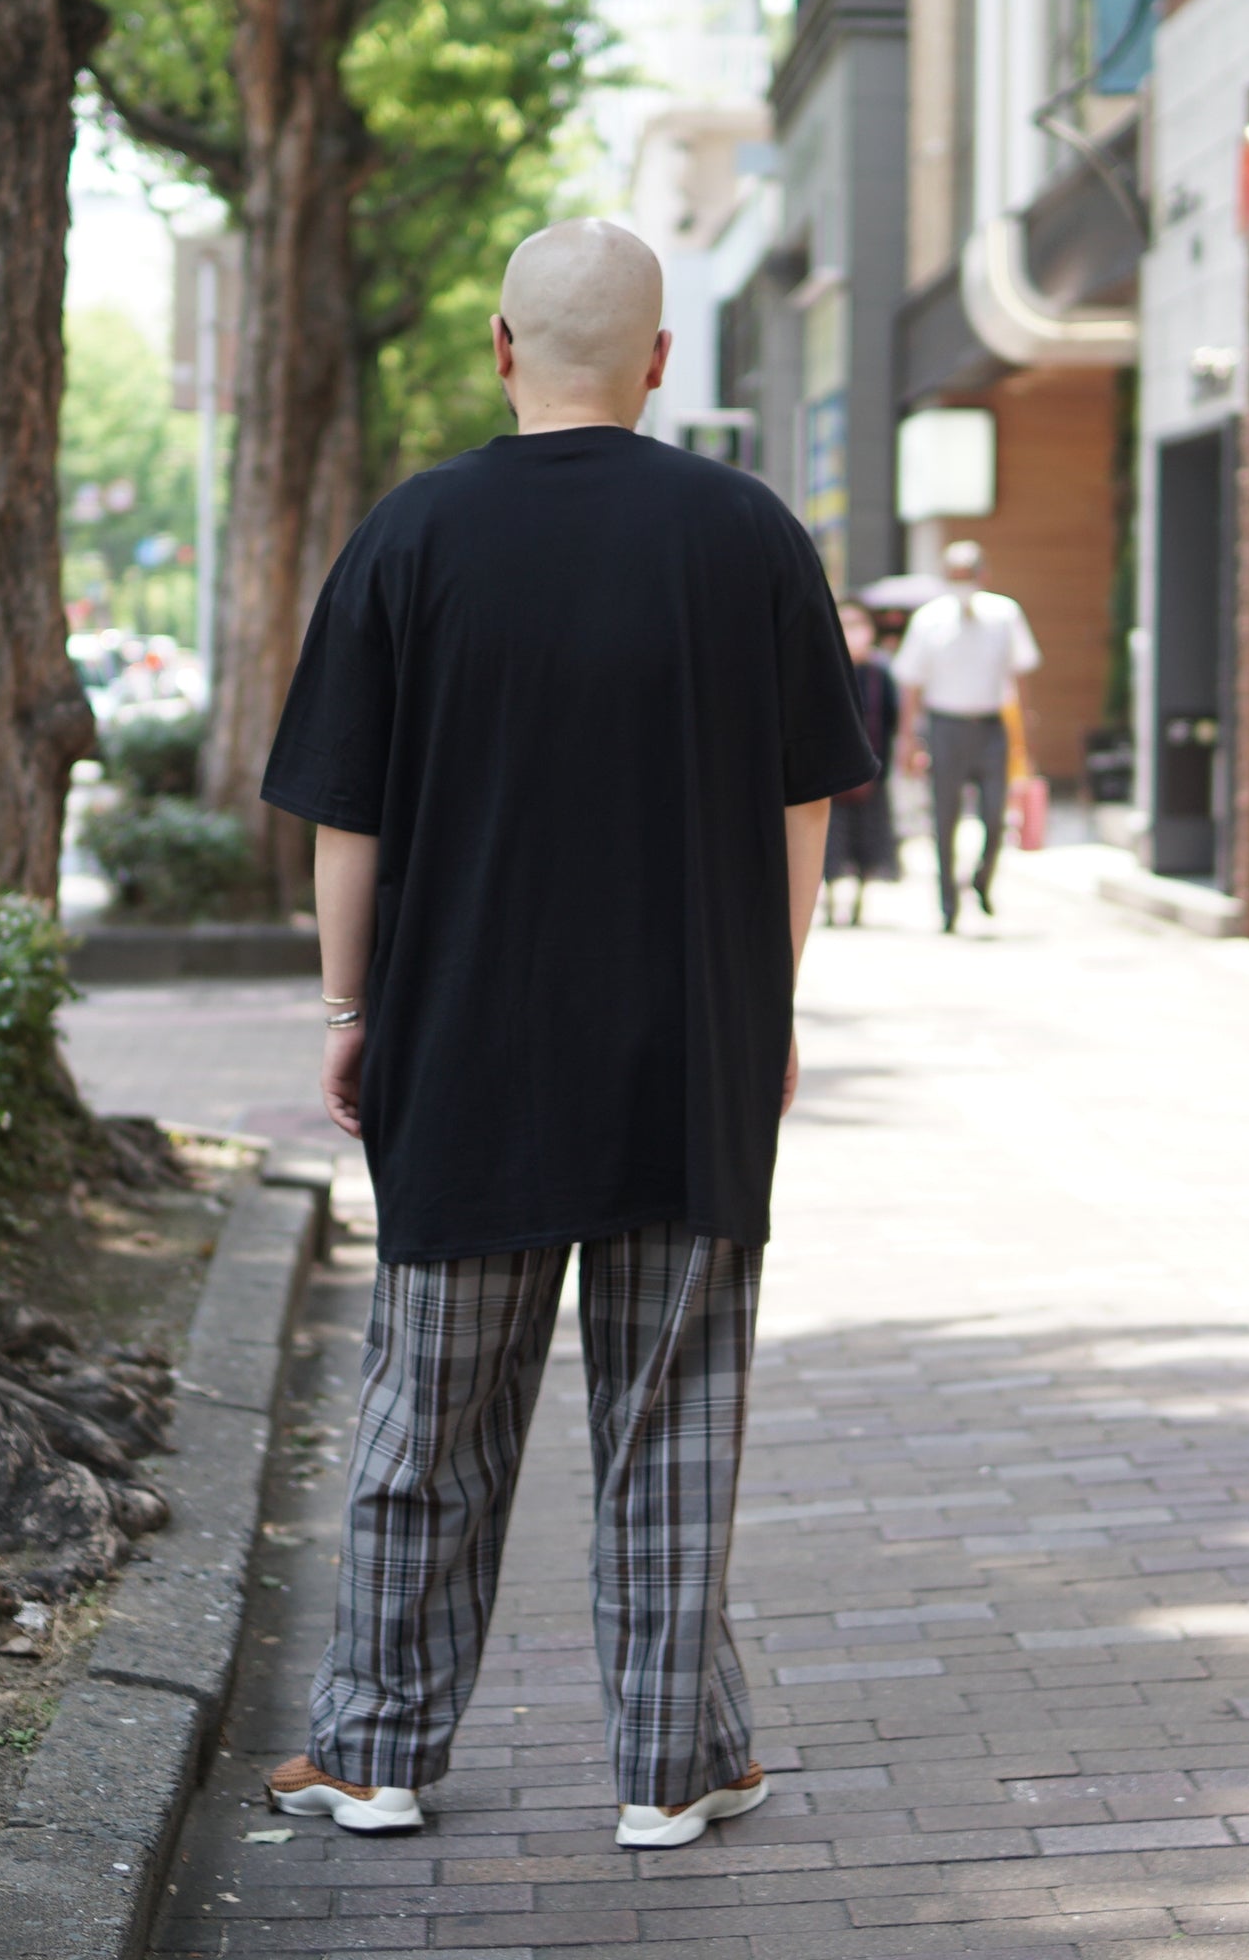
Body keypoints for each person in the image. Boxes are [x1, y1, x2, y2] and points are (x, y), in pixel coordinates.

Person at [257, 219, 877, 1851]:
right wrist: (772, 996)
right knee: (669, 1426)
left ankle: (376, 1749)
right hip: (694, 1049)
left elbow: (347, 816)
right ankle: (670, 1765)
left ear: (498, 344)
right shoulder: (746, 534)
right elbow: (803, 801)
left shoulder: (412, 534)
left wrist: (347, 1008)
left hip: (465, 1053)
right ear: (659, 361)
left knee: (426, 1426)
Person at [893, 539, 1040, 932]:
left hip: (991, 726)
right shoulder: (929, 619)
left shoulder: (1005, 614)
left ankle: (982, 878)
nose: (961, 582)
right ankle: (947, 904)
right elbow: (911, 681)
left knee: (995, 814)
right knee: (944, 819)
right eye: (954, 575)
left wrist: (1025, 730)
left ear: (983, 575)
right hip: (944, 727)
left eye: (967, 575)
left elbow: (1021, 672)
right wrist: (909, 739)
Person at [822, 601, 901, 926]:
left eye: (859, 623)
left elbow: (891, 721)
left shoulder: (881, 673)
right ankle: (828, 901)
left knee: (869, 840)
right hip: (829, 774)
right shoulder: (824, 666)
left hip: (873, 771)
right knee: (830, 840)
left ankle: (859, 902)